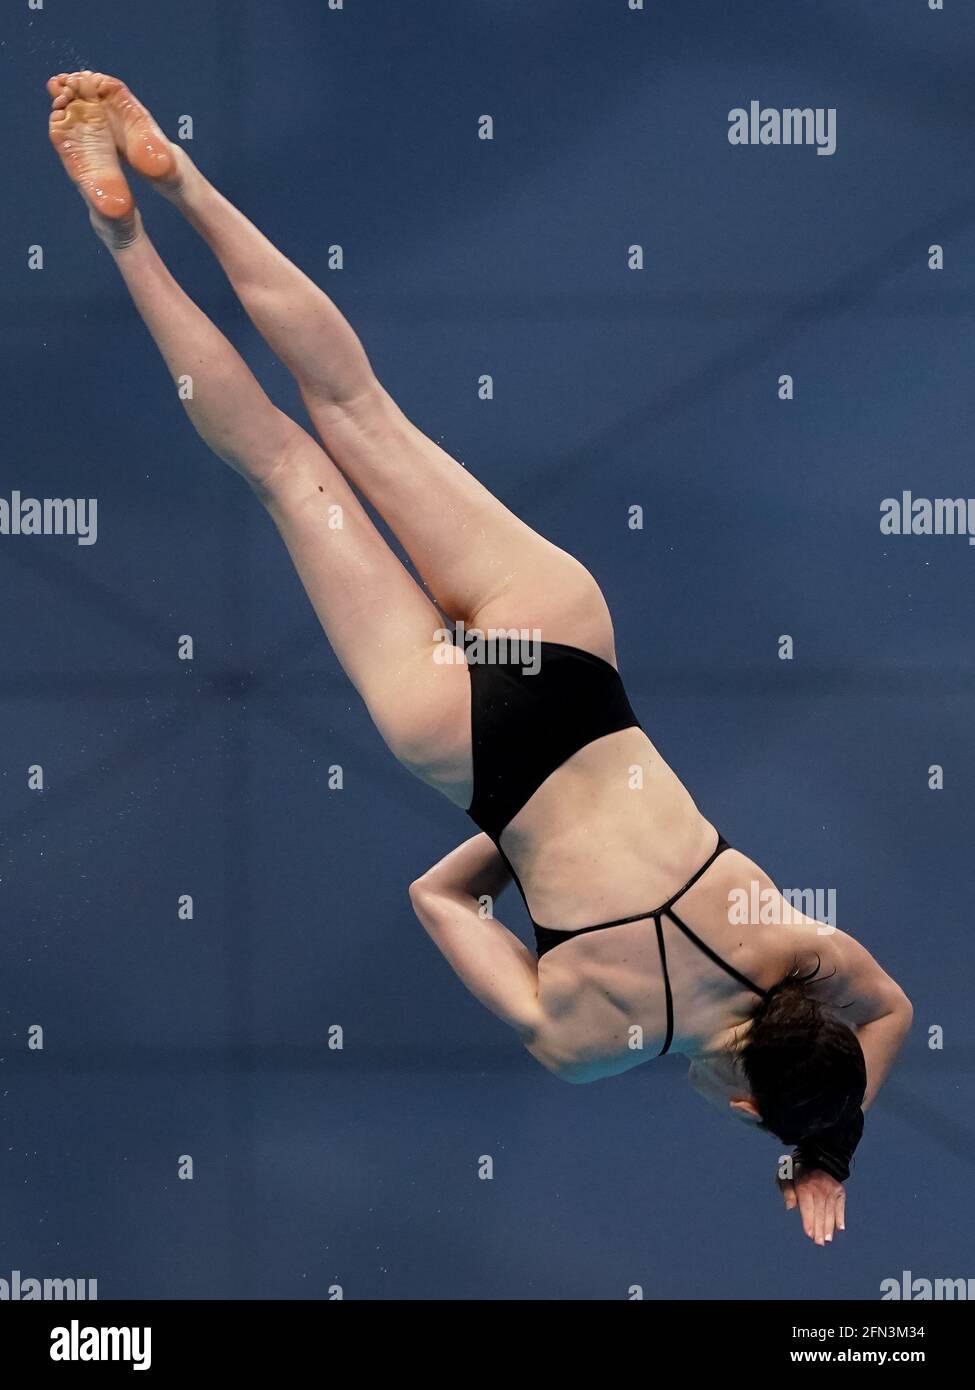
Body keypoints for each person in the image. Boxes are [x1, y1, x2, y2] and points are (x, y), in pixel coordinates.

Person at [48, 70, 913, 1247]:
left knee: (358, 405)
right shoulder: (588, 1044)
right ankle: (119, 230)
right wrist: (522, 840)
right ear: (746, 1097)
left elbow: (891, 1009)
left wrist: (832, 1148)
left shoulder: (796, 943)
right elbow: (437, 896)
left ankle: (177, 172)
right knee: (288, 472)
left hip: (566, 653)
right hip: (459, 739)